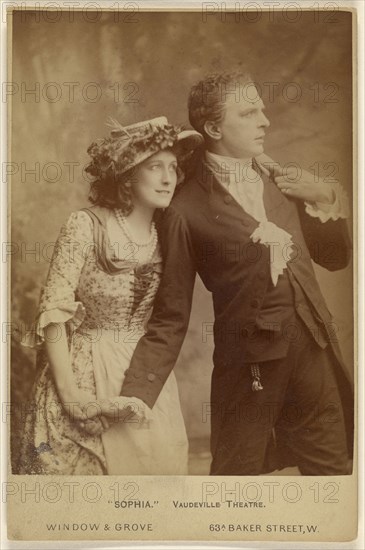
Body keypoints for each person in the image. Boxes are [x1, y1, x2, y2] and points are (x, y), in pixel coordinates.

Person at [120, 72, 354, 475]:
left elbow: (335, 259)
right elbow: (172, 315)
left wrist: (325, 196)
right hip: (251, 367)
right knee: (235, 482)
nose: (265, 120)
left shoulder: (282, 180)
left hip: (314, 350)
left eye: (262, 109)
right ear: (213, 127)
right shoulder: (184, 210)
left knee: (331, 479)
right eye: (249, 112)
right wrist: (136, 393)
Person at [18, 116, 203, 475]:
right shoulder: (85, 225)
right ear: (127, 175)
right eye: (155, 167)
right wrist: (71, 397)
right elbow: (53, 311)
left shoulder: (168, 232)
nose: (169, 178)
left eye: (173, 167)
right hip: (83, 369)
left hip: (146, 373)